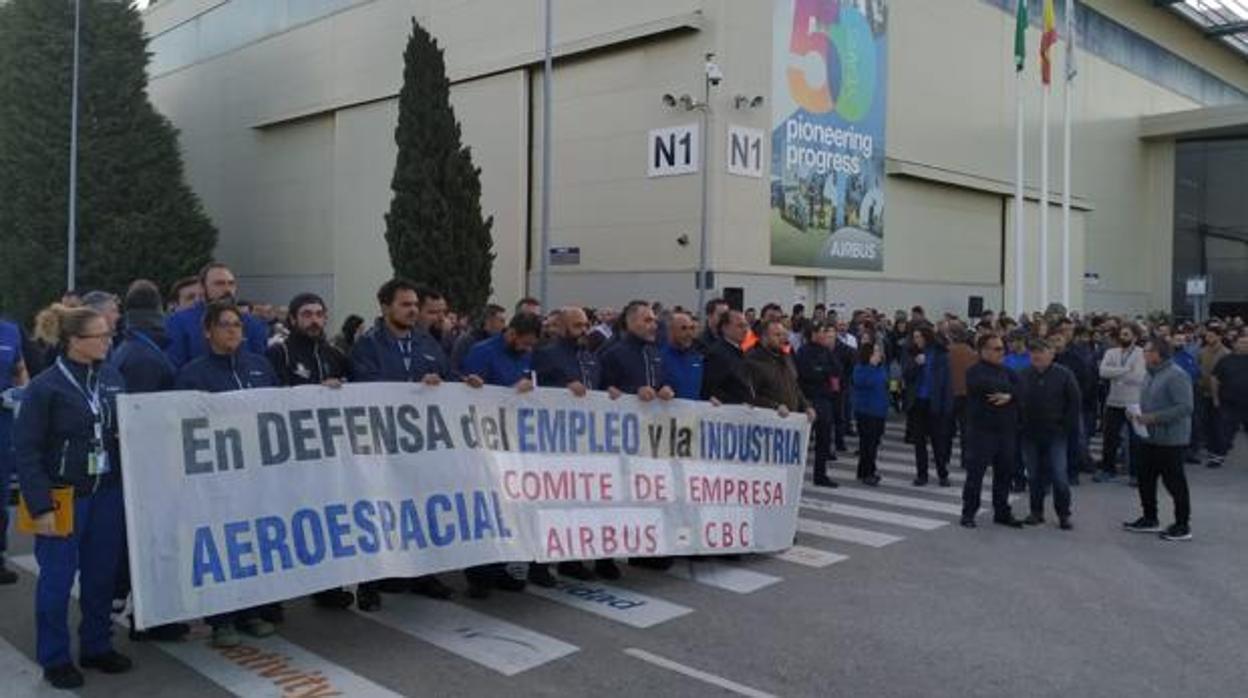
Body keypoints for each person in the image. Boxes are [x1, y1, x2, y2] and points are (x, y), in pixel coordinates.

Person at [15, 305, 132, 689]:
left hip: (107, 495)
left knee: (100, 577)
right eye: (99, 336)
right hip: (63, 497)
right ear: (73, 343)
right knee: (57, 581)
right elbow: (28, 450)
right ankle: (55, 657)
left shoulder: (113, 377)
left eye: (107, 334)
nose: (107, 341)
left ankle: (97, 645)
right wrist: (41, 504)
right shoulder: (45, 387)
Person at [176, 301, 279, 647]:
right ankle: (221, 619)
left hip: (258, 477)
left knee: (254, 542)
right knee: (223, 546)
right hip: (217, 481)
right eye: (225, 324)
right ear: (208, 332)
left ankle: (250, 611)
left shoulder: (261, 367)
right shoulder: (192, 374)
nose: (234, 330)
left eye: (237, 324)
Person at [349, 279, 457, 606]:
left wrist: (461, 384)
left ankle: (422, 573)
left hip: (421, 445)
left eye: (414, 305)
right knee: (380, 510)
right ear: (385, 307)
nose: (412, 310)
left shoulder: (427, 342)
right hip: (380, 445)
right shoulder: (367, 345)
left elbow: (448, 377)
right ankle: (369, 583)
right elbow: (364, 386)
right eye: (405, 304)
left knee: (421, 508)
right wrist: (411, 388)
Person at [106, 281, 192, 642]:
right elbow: (141, 421)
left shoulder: (135, 350)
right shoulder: (143, 356)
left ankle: (140, 608)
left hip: (140, 465)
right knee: (148, 540)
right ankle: (148, 615)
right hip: (147, 467)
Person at [265, 293, 356, 610]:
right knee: (286, 522)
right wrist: (314, 393)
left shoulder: (336, 355)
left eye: (319, 314)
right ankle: (273, 596)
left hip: (329, 455)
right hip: (289, 455)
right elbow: (271, 398)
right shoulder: (280, 353)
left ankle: (327, 585)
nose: (314, 320)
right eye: (306, 314)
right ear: (292, 319)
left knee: (326, 521)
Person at [461, 313, 544, 595]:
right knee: (484, 509)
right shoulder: (481, 353)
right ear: (511, 334)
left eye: (531, 346)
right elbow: (471, 397)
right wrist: (511, 392)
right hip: (483, 444)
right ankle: (478, 576)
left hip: (511, 444)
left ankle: (499, 569)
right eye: (524, 344)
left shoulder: (524, 356)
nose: (527, 350)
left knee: (506, 511)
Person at [598, 301, 675, 572]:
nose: (653, 325)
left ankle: (645, 549)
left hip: (650, 438)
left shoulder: (654, 352)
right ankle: (604, 557)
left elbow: (660, 380)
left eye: (654, 320)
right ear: (630, 322)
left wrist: (665, 388)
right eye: (646, 320)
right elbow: (600, 389)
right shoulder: (613, 352)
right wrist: (632, 391)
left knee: (647, 495)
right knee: (617, 498)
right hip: (620, 439)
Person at [1123, 339, 1194, 541]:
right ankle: (1149, 517)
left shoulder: (1176, 376)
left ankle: (1182, 524)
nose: (1143, 354)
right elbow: (1149, 401)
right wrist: (1136, 413)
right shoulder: (1149, 374)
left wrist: (1154, 417)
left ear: (1158, 353)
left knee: (1174, 483)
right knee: (1145, 479)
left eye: (1146, 351)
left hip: (1170, 439)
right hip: (1148, 437)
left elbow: (1185, 407)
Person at [962, 333, 1024, 529]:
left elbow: (1024, 389)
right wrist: (1010, 392)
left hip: (1006, 431)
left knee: (1005, 473)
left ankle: (1002, 511)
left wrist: (1011, 395)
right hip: (982, 431)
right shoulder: (974, 371)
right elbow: (987, 387)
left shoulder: (1008, 371)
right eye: (997, 349)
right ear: (984, 351)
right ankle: (969, 512)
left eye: (1002, 348)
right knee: (975, 475)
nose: (1002, 352)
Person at [1017, 339, 1081, 529]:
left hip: (1056, 433)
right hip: (1029, 433)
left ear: (1051, 354)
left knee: (1059, 475)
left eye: (1041, 351)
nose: (1037, 355)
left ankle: (1064, 514)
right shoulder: (1023, 375)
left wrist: (1065, 427)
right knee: (1034, 475)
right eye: (1033, 352)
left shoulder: (1064, 374)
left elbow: (1074, 402)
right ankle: (1036, 512)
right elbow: (1016, 401)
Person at [165, 263, 269, 367]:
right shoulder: (179, 322)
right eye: (219, 284)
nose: (227, 289)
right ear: (202, 288)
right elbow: (175, 367)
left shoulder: (253, 323)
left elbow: (261, 366)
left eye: (231, 283)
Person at [903, 324, 953, 487]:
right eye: (915, 337)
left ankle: (942, 473)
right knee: (919, 442)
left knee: (938, 441)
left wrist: (946, 406)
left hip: (935, 401)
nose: (916, 340)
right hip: (918, 401)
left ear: (927, 337)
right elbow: (907, 376)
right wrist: (917, 365)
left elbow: (946, 383)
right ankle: (921, 474)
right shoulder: (913, 353)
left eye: (919, 337)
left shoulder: (940, 354)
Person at [0, 315, 30, 585]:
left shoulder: (10, 331)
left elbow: (20, 369)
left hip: (3, 424)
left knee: (1, 494)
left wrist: (21, 389)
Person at [1097, 324, 1146, 484]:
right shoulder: (1111, 352)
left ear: (1135, 337)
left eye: (1126, 334)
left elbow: (1139, 377)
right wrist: (1126, 370)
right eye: (1121, 334)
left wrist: (1115, 373)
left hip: (1134, 402)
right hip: (1114, 401)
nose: (1123, 337)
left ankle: (1136, 474)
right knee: (1110, 438)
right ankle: (1107, 470)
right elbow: (1103, 371)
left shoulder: (1141, 354)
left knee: (1136, 440)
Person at [796, 322, 842, 488]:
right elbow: (808, 373)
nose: (825, 335)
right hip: (809, 399)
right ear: (813, 334)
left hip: (824, 399)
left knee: (824, 439)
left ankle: (820, 474)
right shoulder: (803, 352)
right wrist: (823, 371)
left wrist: (823, 370)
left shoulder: (826, 351)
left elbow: (837, 369)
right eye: (822, 332)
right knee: (803, 441)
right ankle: (795, 476)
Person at [747, 320, 815, 423]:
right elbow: (750, 396)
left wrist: (806, 406)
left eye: (783, 334)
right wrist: (775, 406)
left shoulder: (786, 357)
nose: (782, 338)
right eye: (777, 335)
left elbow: (794, 386)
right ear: (764, 337)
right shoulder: (753, 361)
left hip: (790, 421)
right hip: (767, 423)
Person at [1208, 334, 1248, 468]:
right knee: (1224, 431)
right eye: (1242, 342)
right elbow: (1214, 379)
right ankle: (1218, 457)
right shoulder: (1225, 360)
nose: (1245, 345)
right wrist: (1215, 398)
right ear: (1235, 344)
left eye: (1247, 343)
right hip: (1228, 403)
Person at [851, 341, 888, 487]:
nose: (879, 354)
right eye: (876, 352)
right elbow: (861, 382)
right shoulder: (861, 368)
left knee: (874, 442)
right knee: (868, 443)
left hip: (879, 410)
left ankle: (863, 470)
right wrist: (872, 367)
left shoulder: (881, 368)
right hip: (866, 410)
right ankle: (868, 472)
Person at [701, 310, 754, 405]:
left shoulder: (739, 351)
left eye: (746, 325)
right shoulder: (718, 354)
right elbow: (712, 388)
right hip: (729, 413)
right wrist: (737, 403)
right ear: (725, 328)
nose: (745, 330)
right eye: (740, 326)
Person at [1196, 326, 1229, 467]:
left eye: (1211, 336)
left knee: (1218, 425)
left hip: (1220, 394)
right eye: (1206, 336)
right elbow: (1198, 368)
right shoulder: (1202, 352)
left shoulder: (1226, 354)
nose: (1207, 339)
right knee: (1206, 424)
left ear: (1219, 337)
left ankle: (1218, 454)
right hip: (1203, 393)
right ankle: (1211, 452)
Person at [947, 326, 978, 469]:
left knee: (946, 428)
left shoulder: (948, 352)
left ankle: (944, 456)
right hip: (968, 394)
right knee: (966, 429)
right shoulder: (972, 353)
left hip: (950, 393)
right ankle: (966, 459)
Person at [450, 304, 506, 373]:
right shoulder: (467, 340)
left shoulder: (500, 342)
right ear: (488, 321)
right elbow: (455, 368)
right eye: (501, 321)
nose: (504, 326)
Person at [660, 311, 703, 400]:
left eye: (691, 328)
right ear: (670, 331)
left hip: (693, 412)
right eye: (683, 328)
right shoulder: (659, 357)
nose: (689, 333)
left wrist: (710, 401)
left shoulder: (697, 358)